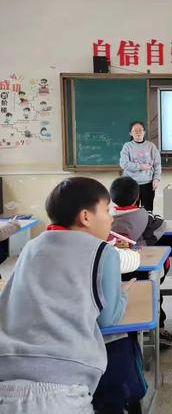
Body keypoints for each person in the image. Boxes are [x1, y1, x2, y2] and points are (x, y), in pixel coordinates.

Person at [0, 177, 127, 414]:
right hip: (62, 385)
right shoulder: (103, 251)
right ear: (85, 217)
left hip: (6, 373)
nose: (111, 218)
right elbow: (108, 318)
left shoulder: (31, 247)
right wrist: (124, 297)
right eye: (107, 210)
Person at [110, 176, 171, 344]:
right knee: (153, 290)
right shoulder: (143, 215)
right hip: (145, 269)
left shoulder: (108, 219)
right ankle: (158, 328)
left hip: (117, 274)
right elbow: (161, 225)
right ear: (137, 197)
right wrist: (142, 242)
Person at [119, 121, 161, 212]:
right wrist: (140, 166)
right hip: (131, 185)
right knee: (131, 212)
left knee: (147, 212)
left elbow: (157, 164)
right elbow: (123, 163)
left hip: (148, 184)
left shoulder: (151, 146)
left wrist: (156, 179)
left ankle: (147, 226)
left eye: (140, 130)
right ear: (130, 133)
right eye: (135, 130)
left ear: (144, 132)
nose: (138, 132)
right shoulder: (127, 146)